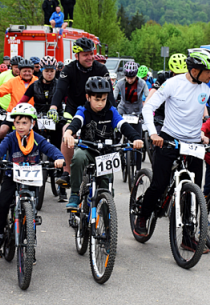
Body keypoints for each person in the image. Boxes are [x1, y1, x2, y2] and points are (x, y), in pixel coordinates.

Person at [135, 49, 210, 241]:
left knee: (194, 192)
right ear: (195, 70)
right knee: (159, 185)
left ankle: (188, 237)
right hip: (169, 139)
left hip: (193, 143)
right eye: (209, 71)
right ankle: (142, 216)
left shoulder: (208, 86)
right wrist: (153, 133)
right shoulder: (173, 84)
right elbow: (149, 107)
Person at [0, 103, 65, 258]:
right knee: (2, 204)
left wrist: (59, 158)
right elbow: (0, 149)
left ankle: (30, 243)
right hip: (12, 176)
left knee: (32, 211)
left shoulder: (37, 138)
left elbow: (51, 149)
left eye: (25, 123)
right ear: (13, 123)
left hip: (31, 178)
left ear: (32, 123)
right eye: (17, 123)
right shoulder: (10, 138)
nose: (21, 126)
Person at [62, 77, 143, 209]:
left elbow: (123, 125)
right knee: (78, 157)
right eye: (97, 100)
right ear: (88, 97)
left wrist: (135, 138)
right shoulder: (83, 110)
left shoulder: (111, 111)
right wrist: (68, 133)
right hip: (88, 149)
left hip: (106, 153)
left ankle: (106, 212)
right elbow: (76, 122)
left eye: (103, 100)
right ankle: (75, 193)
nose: (100, 103)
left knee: (107, 191)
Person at [49, 37, 114, 188]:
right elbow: (60, 91)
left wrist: (114, 114)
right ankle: (67, 173)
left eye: (91, 53)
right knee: (66, 130)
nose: (90, 57)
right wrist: (53, 107)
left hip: (96, 108)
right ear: (76, 55)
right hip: (73, 109)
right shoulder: (68, 70)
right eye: (85, 54)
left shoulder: (101, 69)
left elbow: (109, 95)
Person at [0, 59, 38, 145]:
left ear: (33, 71)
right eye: (24, 71)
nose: (27, 73)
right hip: (13, 113)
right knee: (2, 131)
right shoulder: (13, 81)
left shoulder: (37, 81)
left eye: (29, 71)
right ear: (19, 71)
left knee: (38, 134)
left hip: (31, 115)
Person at [113, 61, 148, 172]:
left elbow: (148, 96)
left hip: (137, 111)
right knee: (117, 128)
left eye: (132, 77)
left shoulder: (142, 83)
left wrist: (147, 107)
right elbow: (113, 97)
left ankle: (138, 170)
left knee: (138, 141)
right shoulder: (120, 83)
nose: (129, 80)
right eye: (127, 77)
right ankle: (118, 145)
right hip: (123, 109)